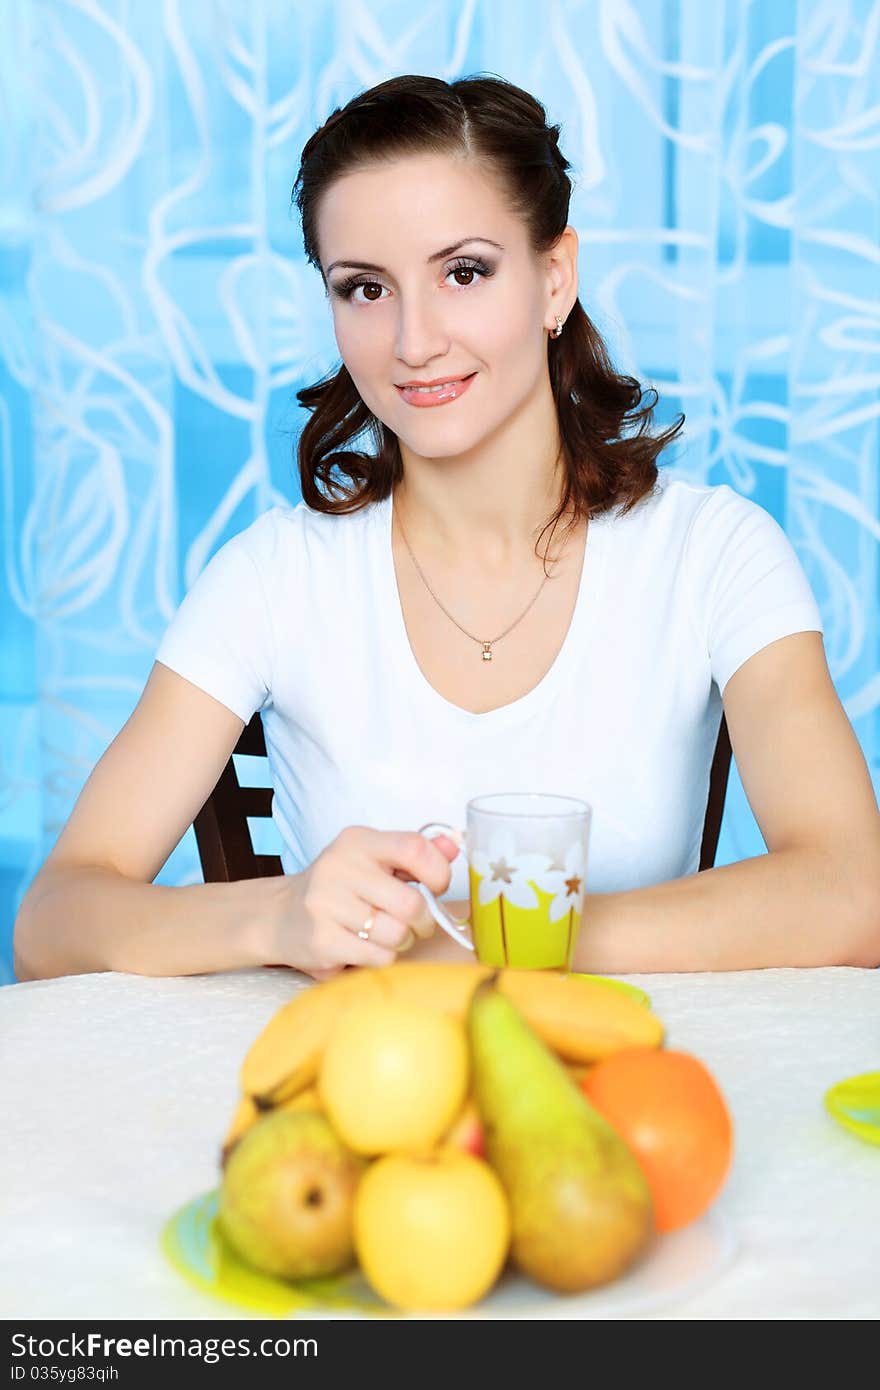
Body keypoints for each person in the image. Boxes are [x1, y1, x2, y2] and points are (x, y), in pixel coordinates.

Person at [13, 75, 880, 984]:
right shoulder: (275, 576)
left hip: (624, 1088)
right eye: (364, 289)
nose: (413, 340)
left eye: (463, 272)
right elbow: (54, 921)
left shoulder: (715, 554)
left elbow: (853, 895)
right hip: (360, 1094)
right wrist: (280, 915)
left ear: (555, 280)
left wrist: (479, 936)